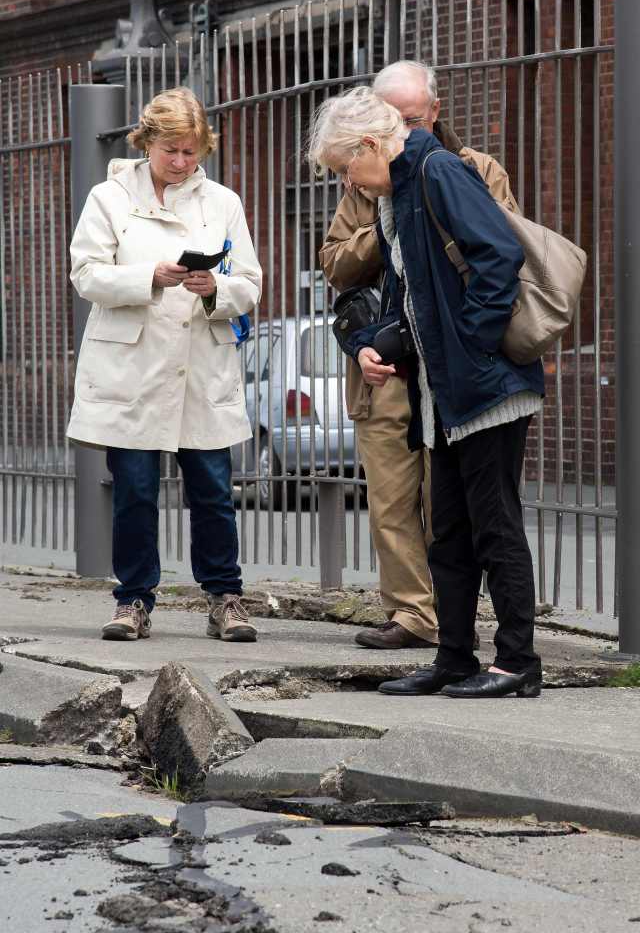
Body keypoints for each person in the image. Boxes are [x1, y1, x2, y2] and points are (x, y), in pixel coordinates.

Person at [308, 86, 544, 698]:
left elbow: (499, 256)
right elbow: (412, 299)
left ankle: (517, 661)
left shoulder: (437, 170)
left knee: (495, 525)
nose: (350, 182)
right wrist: (374, 344)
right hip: (444, 390)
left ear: (368, 145)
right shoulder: (398, 190)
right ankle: (454, 658)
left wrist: (470, 344)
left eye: (346, 168)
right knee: (451, 534)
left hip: (487, 386)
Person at [67, 87, 262, 644]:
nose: (182, 162)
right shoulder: (108, 198)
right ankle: (133, 600)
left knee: (212, 489)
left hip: (201, 364)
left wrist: (214, 286)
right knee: (133, 489)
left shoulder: (221, 202)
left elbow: (249, 282)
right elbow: (85, 274)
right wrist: (147, 275)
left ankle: (225, 596)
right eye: (172, 150)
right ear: (147, 141)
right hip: (134, 366)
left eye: (192, 151)